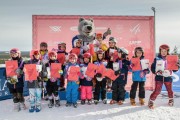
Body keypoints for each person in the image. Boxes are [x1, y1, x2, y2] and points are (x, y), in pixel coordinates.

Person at [148, 44, 178, 109]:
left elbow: (175, 70)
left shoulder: (171, 59)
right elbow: (153, 67)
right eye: (162, 51)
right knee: (157, 90)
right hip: (159, 77)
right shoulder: (157, 59)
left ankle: (171, 99)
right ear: (160, 51)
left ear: (167, 51)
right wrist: (156, 72)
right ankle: (151, 101)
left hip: (168, 77)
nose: (163, 53)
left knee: (169, 90)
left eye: (165, 51)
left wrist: (177, 66)